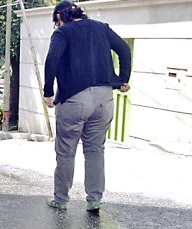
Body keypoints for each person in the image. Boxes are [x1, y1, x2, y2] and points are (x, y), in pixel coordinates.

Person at [43, 1, 131, 214]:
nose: (56, 26)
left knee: (66, 150)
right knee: (95, 149)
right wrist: (123, 79)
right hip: (104, 98)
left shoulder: (63, 33)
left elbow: (52, 59)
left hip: (75, 98)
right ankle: (94, 200)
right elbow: (124, 50)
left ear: (60, 18)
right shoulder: (102, 28)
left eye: (55, 22)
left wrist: (48, 91)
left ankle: (61, 199)